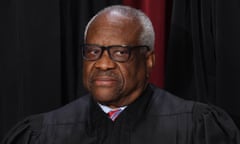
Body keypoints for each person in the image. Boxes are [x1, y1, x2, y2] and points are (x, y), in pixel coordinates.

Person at [1, 5, 240, 144]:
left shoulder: (197, 129)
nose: (103, 64)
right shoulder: (43, 134)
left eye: (119, 52)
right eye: (93, 51)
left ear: (148, 60)